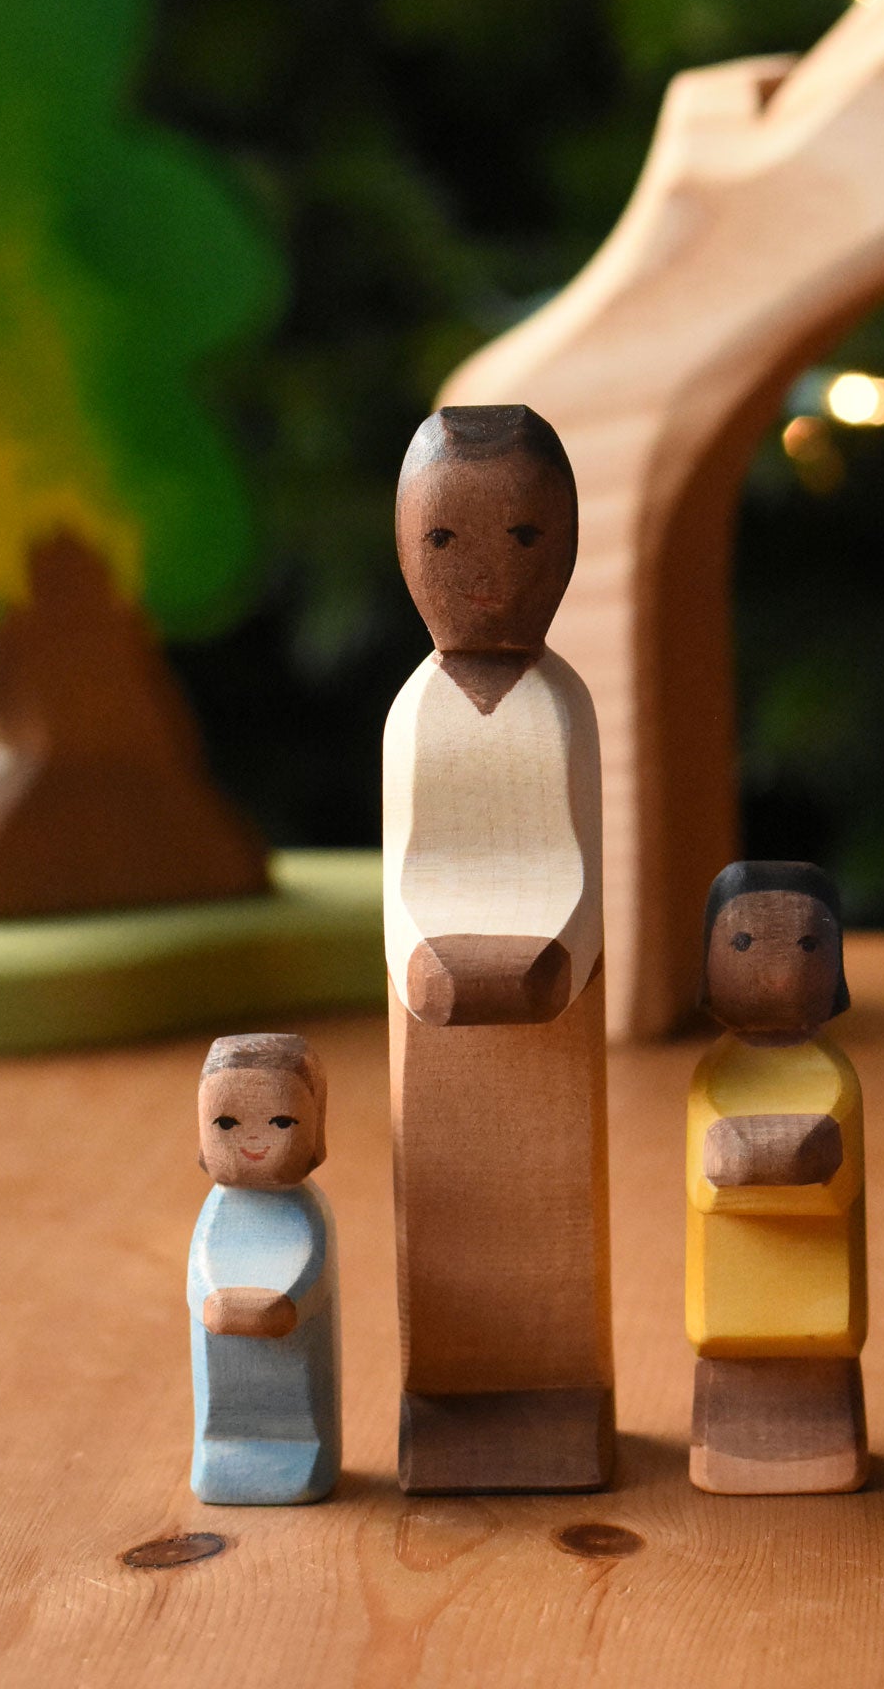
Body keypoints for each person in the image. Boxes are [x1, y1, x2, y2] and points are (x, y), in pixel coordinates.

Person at [384, 404, 612, 1492]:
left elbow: (577, 864)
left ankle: (561, 1396)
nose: (484, 572)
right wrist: (422, 957)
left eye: (520, 537)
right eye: (446, 539)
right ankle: (452, 1405)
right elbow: (405, 870)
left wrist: (558, 950)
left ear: (562, 546)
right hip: (435, 1025)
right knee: (448, 1230)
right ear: (407, 550)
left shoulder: (562, 706)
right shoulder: (414, 712)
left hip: (548, 1007)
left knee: (550, 1238)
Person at [686, 860, 868, 1493]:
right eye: (743, 942)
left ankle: (831, 1444)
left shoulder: (834, 1073)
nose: (782, 967)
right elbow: (708, 1174)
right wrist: (758, 1157)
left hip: (818, 1284)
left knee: (822, 1356)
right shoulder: (715, 1074)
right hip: (733, 1285)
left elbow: (839, 1174)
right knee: (731, 1352)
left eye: (808, 944)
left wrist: (789, 1157)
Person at [189, 1033, 339, 1505]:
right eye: (227, 1123)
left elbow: (313, 1272)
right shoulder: (217, 1210)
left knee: (298, 1417)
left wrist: (286, 1305)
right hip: (225, 1360)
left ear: (315, 1132)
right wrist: (214, 1303)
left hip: (292, 1358)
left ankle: (300, 1465)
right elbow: (200, 1271)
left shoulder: (307, 1210)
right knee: (223, 1418)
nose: (254, 1140)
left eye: (281, 1122)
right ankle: (223, 1462)